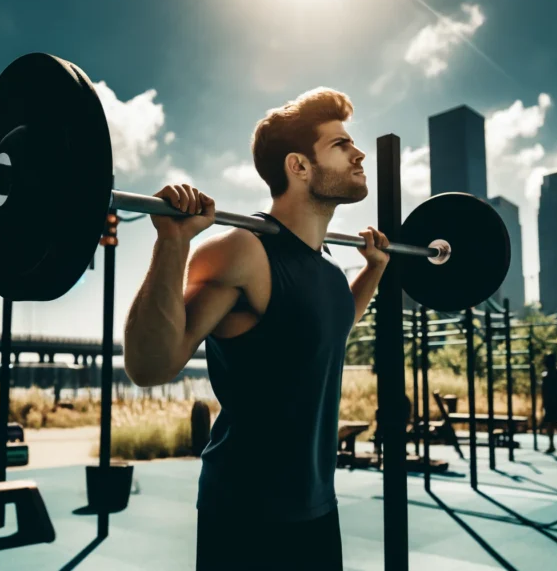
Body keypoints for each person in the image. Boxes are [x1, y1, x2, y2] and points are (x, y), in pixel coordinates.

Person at [123, 88, 387, 571]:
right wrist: (173, 243)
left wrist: (373, 270)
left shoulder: (329, 272)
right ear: (299, 167)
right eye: (340, 145)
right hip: (246, 515)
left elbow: (334, 322)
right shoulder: (243, 252)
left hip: (318, 511)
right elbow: (149, 366)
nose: (359, 152)